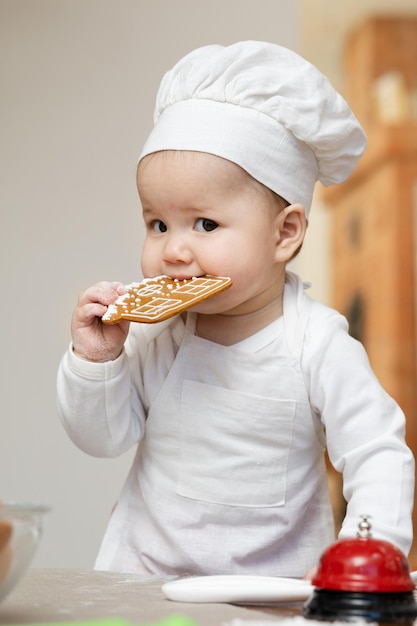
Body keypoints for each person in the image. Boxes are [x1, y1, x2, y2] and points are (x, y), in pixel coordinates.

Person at [57, 41, 415, 577]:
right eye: (157, 224)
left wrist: (370, 557)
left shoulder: (315, 343)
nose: (173, 250)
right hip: (146, 584)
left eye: (204, 224)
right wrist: (95, 361)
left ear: (285, 233)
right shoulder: (160, 335)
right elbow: (101, 437)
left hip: (274, 594)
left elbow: (377, 452)